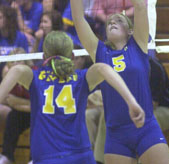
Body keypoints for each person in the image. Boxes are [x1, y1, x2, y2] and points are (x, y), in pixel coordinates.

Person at [70, 0, 169, 164]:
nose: (112, 22)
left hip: (146, 128)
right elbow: (79, 19)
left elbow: (141, 8)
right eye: (109, 22)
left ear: (130, 30)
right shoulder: (99, 51)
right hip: (116, 134)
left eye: (118, 21)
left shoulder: (138, 45)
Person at [0, 30, 145, 164]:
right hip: (81, 157)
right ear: (72, 56)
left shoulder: (36, 79)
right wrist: (132, 102)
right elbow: (103, 68)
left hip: (47, 157)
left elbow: (17, 70)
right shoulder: (81, 79)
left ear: (44, 57)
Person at [0, 48, 33, 164]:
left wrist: (17, 103)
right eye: (12, 62)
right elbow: (7, 100)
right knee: (13, 117)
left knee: (38, 120)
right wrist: (22, 104)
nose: (15, 65)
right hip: (24, 113)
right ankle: (7, 156)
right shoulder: (10, 77)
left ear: (26, 63)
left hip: (40, 113)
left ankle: (34, 159)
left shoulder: (34, 75)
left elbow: (38, 106)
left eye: (18, 61)